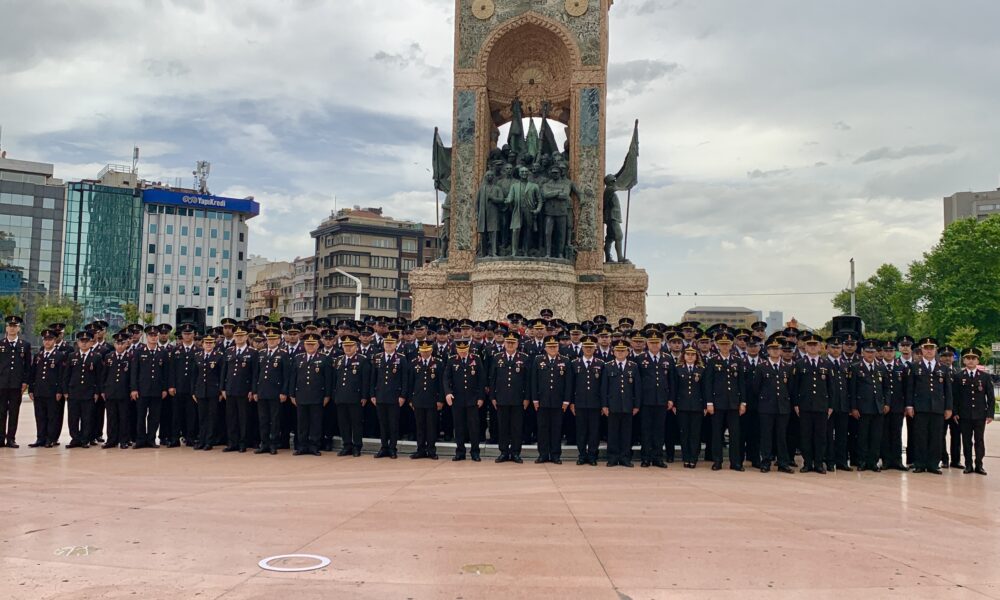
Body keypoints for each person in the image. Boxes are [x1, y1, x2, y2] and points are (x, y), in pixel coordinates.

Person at [906, 337, 953, 474]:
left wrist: (948, 407)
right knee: (920, 436)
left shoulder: (943, 368)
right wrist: (909, 405)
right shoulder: (914, 367)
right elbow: (910, 388)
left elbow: (947, 390)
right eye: (926, 348)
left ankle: (933, 464)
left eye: (931, 348)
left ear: (935, 350)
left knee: (936, 437)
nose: (928, 351)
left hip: (938, 407)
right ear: (921, 350)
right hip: (920, 407)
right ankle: (920, 464)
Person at [792, 333, 834, 473]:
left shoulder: (827, 364)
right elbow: (795, 387)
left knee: (820, 436)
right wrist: (796, 404)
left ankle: (819, 463)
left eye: (815, 345)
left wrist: (831, 406)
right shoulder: (799, 364)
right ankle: (808, 463)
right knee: (806, 436)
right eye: (809, 345)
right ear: (805, 347)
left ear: (820, 347)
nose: (812, 347)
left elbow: (831, 387)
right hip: (805, 406)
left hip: (822, 406)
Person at [752, 339, 794, 473]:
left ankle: (783, 463)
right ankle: (765, 462)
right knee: (766, 436)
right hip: (766, 407)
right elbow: (756, 388)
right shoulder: (761, 367)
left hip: (783, 407)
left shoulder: (787, 367)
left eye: (778, 349)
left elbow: (790, 389)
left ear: (781, 351)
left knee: (782, 436)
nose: (775, 351)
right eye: (772, 349)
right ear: (768, 351)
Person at [530, 335, 572, 464]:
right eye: (550, 346)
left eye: (555, 346)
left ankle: (555, 455)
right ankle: (543, 454)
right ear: (545, 348)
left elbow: (568, 383)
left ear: (558, 347)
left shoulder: (565, 360)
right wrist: (535, 399)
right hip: (542, 401)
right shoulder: (538, 360)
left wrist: (566, 401)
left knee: (556, 429)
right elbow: (534, 381)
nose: (553, 348)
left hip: (558, 402)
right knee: (542, 429)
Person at [706, 332, 745, 471]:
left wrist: (743, 402)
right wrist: (709, 402)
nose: (724, 346)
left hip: (733, 403)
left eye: (727, 344)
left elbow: (741, 383)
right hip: (717, 403)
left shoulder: (737, 360)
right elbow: (708, 383)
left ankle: (736, 462)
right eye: (722, 344)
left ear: (731, 345)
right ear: (717, 345)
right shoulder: (712, 360)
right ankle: (717, 461)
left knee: (735, 434)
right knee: (717, 434)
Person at [849, 340, 890, 472]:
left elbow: (886, 388)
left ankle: (873, 462)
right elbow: (852, 390)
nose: (870, 354)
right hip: (863, 408)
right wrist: (853, 407)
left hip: (878, 407)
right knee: (862, 437)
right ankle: (862, 461)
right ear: (862, 352)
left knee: (876, 437)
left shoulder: (881, 367)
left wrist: (887, 403)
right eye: (867, 351)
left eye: (872, 352)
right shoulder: (856, 367)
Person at [289, 333, 331, 456]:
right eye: (308, 344)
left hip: (317, 396)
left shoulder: (324, 358)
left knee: (315, 422)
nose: (310, 346)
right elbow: (293, 377)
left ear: (317, 345)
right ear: (304, 345)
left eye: (313, 344)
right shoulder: (298, 358)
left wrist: (327, 395)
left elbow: (328, 379)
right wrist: (292, 394)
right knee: (302, 422)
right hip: (301, 395)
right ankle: (302, 446)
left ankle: (314, 446)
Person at [490, 331, 529, 463]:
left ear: (517, 344)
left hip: (518, 399)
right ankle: (504, 452)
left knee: (517, 427)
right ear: (504, 343)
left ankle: (516, 453)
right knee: (503, 427)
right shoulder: (497, 357)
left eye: (513, 342)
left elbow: (527, 380)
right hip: (501, 398)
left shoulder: (524, 358)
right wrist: (493, 397)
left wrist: (526, 398)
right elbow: (493, 379)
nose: (510, 345)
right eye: (508, 342)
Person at [443, 339, 485, 461]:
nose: (462, 352)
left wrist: (481, 397)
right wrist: (448, 393)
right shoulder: (452, 360)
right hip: (457, 399)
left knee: (473, 427)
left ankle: (475, 452)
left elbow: (481, 379)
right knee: (459, 426)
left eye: (464, 350)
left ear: (468, 349)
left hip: (472, 399)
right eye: (460, 350)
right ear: (456, 349)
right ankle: (460, 452)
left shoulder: (476, 359)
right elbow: (446, 378)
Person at [636, 330, 673, 468]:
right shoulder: (640, 358)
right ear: (647, 343)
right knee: (645, 430)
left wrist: (671, 399)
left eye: (657, 342)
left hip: (662, 400)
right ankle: (646, 457)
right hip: (646, 400)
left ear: (661, 343)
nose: (654, 345)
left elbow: (671, 381)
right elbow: (637, 382)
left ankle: (658, 457)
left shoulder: (667, 358)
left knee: (659, 430)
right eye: (651, 342)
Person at [954, 348, 993, 475]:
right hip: (964, 415)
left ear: (977, 360)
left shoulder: (985, 377)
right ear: (964, 360)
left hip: (980, 414)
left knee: (979, 441)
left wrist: (990, 414)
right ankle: (968, 465)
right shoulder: (959, 376)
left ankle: (979, 465)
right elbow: (955, 397)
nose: (971, 361)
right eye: (968, 358)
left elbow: (990, 397)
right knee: (966, 441)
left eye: (973, 358)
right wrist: (955, 412)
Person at [602, 339, 641, 467]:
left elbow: (637, 388)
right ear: (613, 352)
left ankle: (625, 457)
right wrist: (604, 405)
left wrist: (636, 405)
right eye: (617, 350)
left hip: (628, 405)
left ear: (627, 352)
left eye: (623, 350)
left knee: (626, 433)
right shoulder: (608, 366)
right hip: (612, 405)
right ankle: (612, 457)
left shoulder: (633, 366)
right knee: (612, 433)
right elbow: (604, 387)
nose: (620, 352)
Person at [370, 332, 409, 459]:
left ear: (396, 344)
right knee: (382, 424)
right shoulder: (377, 357)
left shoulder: (401, 358)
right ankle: (383, 447)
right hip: (380, 395)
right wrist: (372, 394)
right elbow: (373, 378)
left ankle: (392, 448)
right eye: (386, 343)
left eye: (391, 343)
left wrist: (403, 395)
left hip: (394, 396)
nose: (388, 345)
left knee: (393, 424)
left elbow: (405, 379)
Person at [254, 327, 291, 455]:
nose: (271, 341)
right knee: (263, 419)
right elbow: (256, 374)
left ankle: (273, 444)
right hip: (262, 391)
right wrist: (255, 391)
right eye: (269, 339)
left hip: (276, 392)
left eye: (274, 339)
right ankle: (264, 443)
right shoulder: (261, 353)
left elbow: (286, 375)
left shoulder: (283, 354)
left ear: (279, 340)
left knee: (275, 420)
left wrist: (284, 392)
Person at [130, 326, 169, 449]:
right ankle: (140, 440)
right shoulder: (139, 351)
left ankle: (151, 439)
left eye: (155, 335)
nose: (153, 337)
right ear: (146, 337)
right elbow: (134, 372)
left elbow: (165, 373)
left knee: (154, 417)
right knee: (140, 416)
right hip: (142, 390)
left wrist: (164, 389)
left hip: (157, 390)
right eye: (151, 335)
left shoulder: (163, 352)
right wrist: (134, 389)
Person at [221, 325, 258, 453]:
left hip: (244, 390)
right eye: (237, 336)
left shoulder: (252, 352)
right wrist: (222, 388)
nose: (239, 338)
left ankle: (243, 443)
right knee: (231, 418)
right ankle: (232, 443)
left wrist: (252, 390)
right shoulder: (229, 351)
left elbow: (255, 373)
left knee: (243, 418)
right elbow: (224, 371)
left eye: (242, 336)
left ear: (246, 337)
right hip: (230, 389)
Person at [63, 330, 102, 448]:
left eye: (86, 341)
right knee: (73, 418)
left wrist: (97, 392)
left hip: (89, 392)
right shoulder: (72, 356)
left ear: (91, 342)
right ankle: (75, 439)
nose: (84, 343)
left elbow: (99, 377)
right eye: (81, 341)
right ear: (78, 342)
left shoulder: (96, 357)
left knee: (87, 417)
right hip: (74, 391)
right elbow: (66, 375)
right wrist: (65, 391)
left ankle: (85, 439)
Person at [333, 335, 369, 457]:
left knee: (356, 423)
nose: (347, 348)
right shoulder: (339, 360)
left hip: (355, 397)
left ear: (356, 347)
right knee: (343, 423)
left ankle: (357, 446)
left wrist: (364, 396)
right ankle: (347, 445)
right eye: (345, 346)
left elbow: (365, 380)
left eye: (350, 346)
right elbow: (335, 379)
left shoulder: (362, 360)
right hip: (341, 396)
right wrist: (334, 395)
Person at [570, 335, 603, 466]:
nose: (588, 349)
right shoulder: (575, 363)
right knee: (581, 431)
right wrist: (572, 402)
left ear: (595, 348)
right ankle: (582, 455)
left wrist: (603, 404)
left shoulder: (600, 364)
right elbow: (571, 385)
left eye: (591, 347)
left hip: (595, 404)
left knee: (594, 431)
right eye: (586, 347)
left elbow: (603, 386)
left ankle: (592, 455)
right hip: (580, 403)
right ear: (582, 348)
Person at [28, 329, 64, 449]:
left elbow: (61, 375)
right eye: (45, 340)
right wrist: (31, 389)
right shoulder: (38, 355)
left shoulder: (59, 356)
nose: (47, 342)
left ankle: (51, 438)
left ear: (54, 340)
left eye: (50, 339)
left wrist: (59, 390)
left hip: (52, 391)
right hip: (39, 390)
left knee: (52, 416)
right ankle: (40, 438)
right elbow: (33, 373)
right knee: (40, 415)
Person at [674, 346, 709, 468]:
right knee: (684, 433)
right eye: (687, 354)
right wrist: (674, 404)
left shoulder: (702, 369)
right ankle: (686, 458)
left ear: (696, 357)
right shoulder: (678, 369)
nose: (690, 357)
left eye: (692, 355)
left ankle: (693, 458)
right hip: (682, 405)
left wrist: (705, 405)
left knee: (695, 433)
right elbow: (675, 388)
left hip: (697, 406)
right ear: (683, 356)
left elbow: (705, 389)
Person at [0, 315, 31, 448]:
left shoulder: (25, 345)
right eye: (10, 326)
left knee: (14, 412)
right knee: (1, 412)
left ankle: (11, 438)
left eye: (15, 326)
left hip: (16, 385)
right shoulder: (1, 344)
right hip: (2, 384)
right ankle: (0, 438)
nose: (12, 328)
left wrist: (25, 382)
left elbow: (27, 366)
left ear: (19, 328)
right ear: (6, 328)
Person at [101, 332, 133, 449]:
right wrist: (103, 390)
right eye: (117, 343)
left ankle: (124, 440)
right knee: (111, 417)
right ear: (114, 344)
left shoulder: (130, 357)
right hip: (111, 392)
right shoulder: (109, 357)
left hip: (124, 392)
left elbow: (132, 376)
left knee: (124, 417)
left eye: (122, 343)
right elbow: (104, 375)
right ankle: (111, 440)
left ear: (126, 344)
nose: (120, 346)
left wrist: (132, 390)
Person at [825, 336, 852, 472]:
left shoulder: (845, 364)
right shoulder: (823, 363)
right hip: (829, 406)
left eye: (838, 347)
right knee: (828, 435)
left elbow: (849, 387)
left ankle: (842, 461)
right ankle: (830, 461)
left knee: (842, 434)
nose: (836, 350)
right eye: (833, 347)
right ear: (827, 348)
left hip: (843, 405)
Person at [193, 333, 224, 451]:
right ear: (202, 344)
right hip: (200, 390)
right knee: (202, 417)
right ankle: (201, 440)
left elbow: (221, 375)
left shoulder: (219, 356)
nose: (208, 345)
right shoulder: (198, 356)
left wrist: (220, 391)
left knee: (212, 417)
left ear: (214, 344)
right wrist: (193, 391)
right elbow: (194, 375)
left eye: (211, 343)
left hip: (213, 391)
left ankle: (209, 441)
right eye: (206, 343)